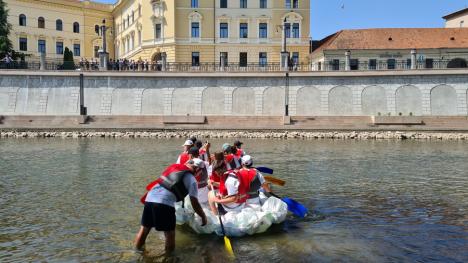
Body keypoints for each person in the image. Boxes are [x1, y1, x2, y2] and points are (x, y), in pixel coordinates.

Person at [135, 160, 207, 253]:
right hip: (164, 202)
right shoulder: (191, 179)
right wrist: (203, 216)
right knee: (170, 234)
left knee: (144, 229)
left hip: (150, 198)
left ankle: (137, 252)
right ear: (198, 170)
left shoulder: (174, 168)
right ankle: (169, 258)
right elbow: (194, 202)